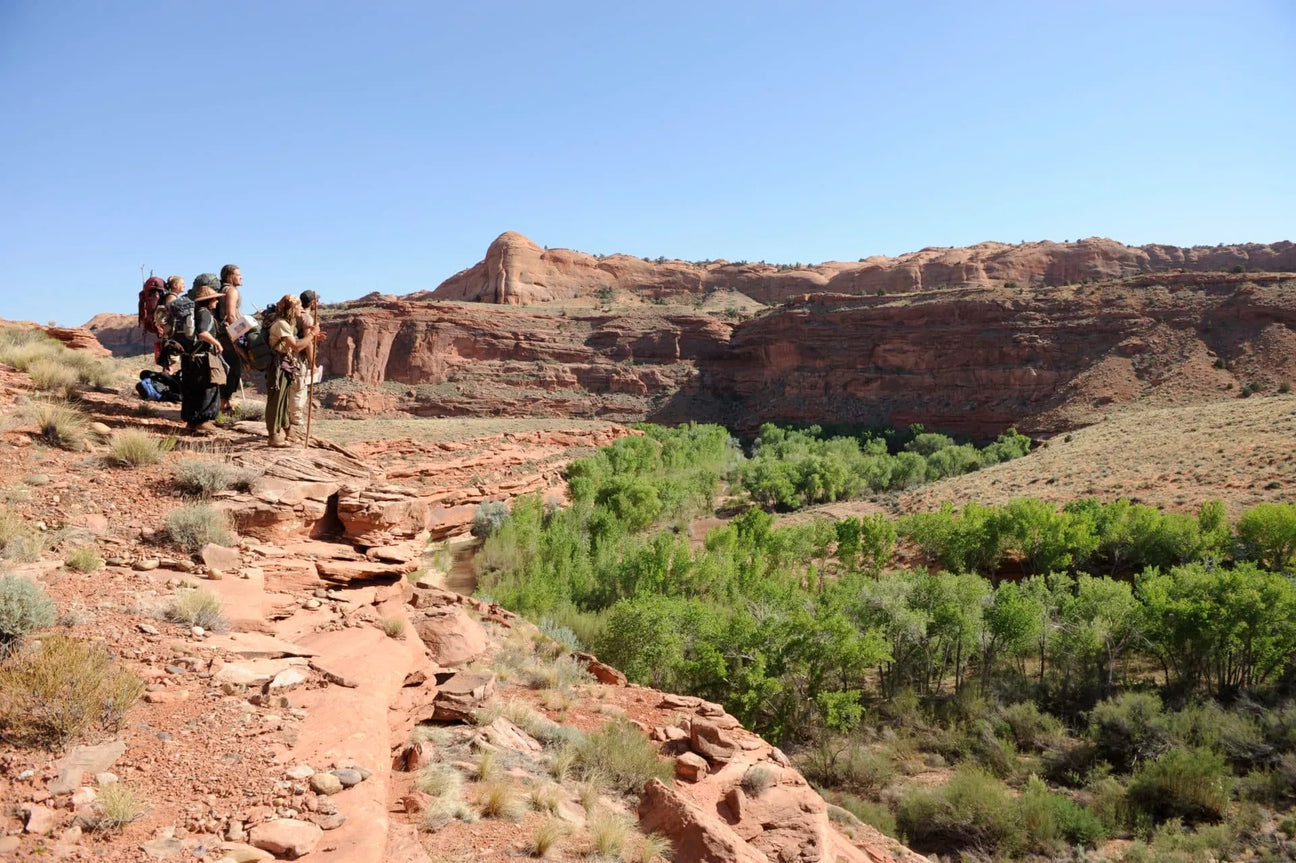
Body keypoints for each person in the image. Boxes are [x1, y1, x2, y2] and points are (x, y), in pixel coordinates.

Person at [265, 294, 318, 448]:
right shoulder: (281, 324)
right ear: (291, 308)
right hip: (278, 366)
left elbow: (295, 343)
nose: (300, 309)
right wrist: (312, 335)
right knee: (276, 401)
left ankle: (287, 430)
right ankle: (273, 435)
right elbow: (296, 346)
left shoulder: (288, 324)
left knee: (283, 400)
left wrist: (314, 337)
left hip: (285, 364)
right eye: (297, 306)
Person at [180, 286, 225, 434]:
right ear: (208, 301)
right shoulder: (205, 314)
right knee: (207, 388)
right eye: (214, 299)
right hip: (202, 358)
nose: (217, 301)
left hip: (189, 357)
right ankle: (203, 421)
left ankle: (192, 422)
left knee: (191, 388)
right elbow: (203, 333)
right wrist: (216, 343)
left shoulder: (195, 313)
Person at [288, 290, 325, 434]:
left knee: (293, 388)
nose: (319, 304)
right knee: (299, 388)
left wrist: (316, 337)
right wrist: (312, 362)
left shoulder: (295, 315)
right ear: (312, 303)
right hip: (298, 358)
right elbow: (307, 343)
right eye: (317, 301)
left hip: (289, 357)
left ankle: (290, 418)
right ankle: (295, 420)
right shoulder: (307, 318)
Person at [217, 264, 244, 413]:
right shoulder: (231, 291)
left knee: (228, 367)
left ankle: (224, 402)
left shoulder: (220, 290)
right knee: (234, 367)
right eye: (238, 274)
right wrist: (241, 335)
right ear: (229, 277)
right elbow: (231, 315)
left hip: (220, 335)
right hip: (228, 336)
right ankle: (224, 403)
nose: (241, 277)